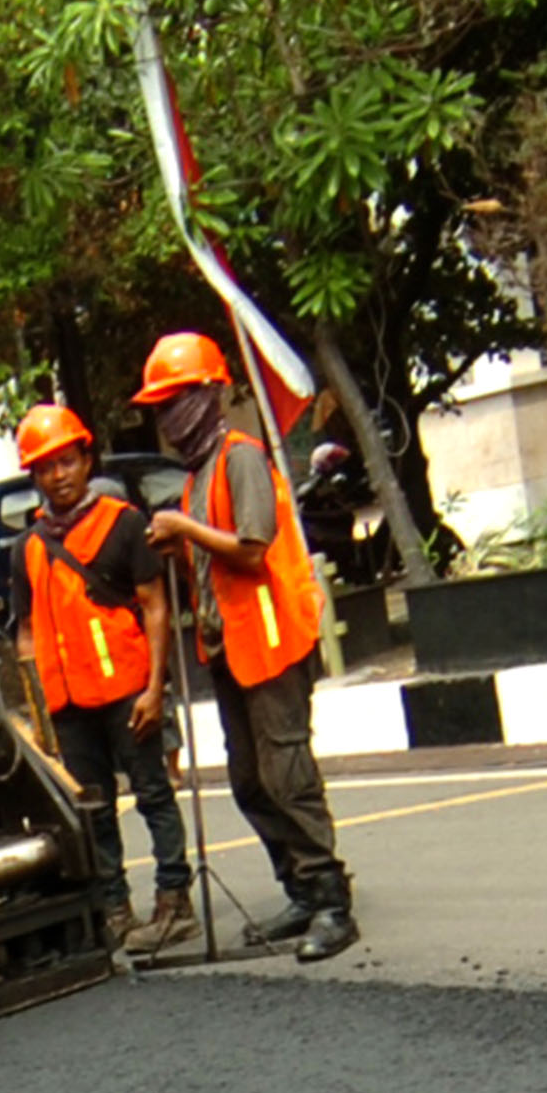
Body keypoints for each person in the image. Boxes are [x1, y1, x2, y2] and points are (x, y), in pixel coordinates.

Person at [137, 330, 354, 963]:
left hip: (271, 639)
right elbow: (213, 553)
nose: (166, 417)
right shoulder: (197, 477)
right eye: (159, 406)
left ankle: (333, 901)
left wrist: (185, 529)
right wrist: (181, 546)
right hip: (228, 647)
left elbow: (252, 547)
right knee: (248, 780)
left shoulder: (241, 457)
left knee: (286, 775)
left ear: (208, 395)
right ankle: (300, 889)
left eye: (175, 400)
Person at [12, 402, 189, 956]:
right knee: (93, 809)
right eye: (44, 467)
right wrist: (38, 713)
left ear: (86, 459)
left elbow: (154, 606)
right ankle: (113, 906)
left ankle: (174, 901)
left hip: (128, 691)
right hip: (68, 703)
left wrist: (156, 688)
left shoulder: (124, 524)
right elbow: (26, 632)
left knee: (153, 793)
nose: (57, 475)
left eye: (66, 461)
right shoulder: (29, 547)